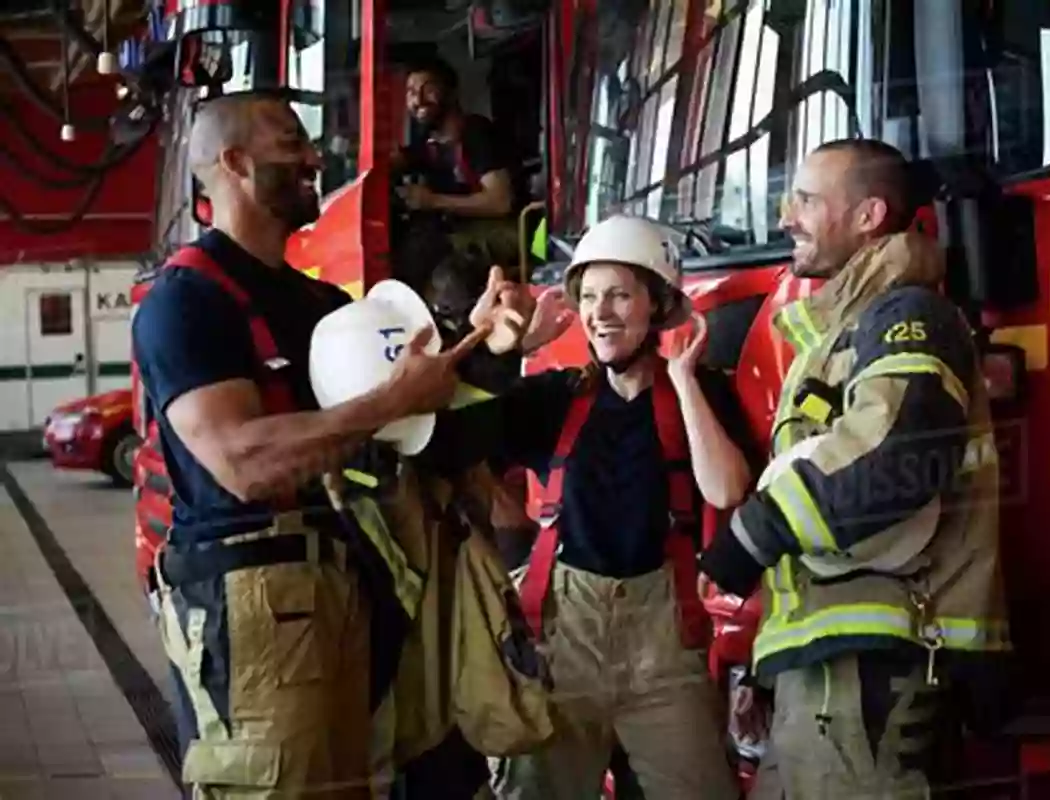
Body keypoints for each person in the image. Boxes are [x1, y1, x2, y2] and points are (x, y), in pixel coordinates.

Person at [132, 92, 488, 798]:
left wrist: (487, 346)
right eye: (291, 142)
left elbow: (413, 422)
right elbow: (243, 461)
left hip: (344, 585)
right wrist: (391, 400)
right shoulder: (186, 300)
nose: (313, 158)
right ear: (234, 163)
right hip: (252, 604)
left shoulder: (322, 305)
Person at [695, 139, 1014, 798]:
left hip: (873, 668)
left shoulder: (907, 316)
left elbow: (891, 457)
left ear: (869, 215)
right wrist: (769, 663)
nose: (787, 216)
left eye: (808, 199)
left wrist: (750, 536)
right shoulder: (840, 331)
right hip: (824, 671)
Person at [422, 214, 755, 800]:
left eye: (621, 296)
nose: (601, 313)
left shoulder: (701, 393)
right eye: (591, 297)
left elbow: (726, 491)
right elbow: (450, 443)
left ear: (658, 305)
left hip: (664, 648)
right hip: (561, 640)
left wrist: (682, 379)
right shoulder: (556, 399)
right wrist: (496, 353)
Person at [392, 55, 522, 270]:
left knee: (432, 257)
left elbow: (501, 202)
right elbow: (396, 161)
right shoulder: (429, 144)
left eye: (428, 89)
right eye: (411, 93)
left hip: (509, 229)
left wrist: (432, 201)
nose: (418, 100)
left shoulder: (476, 134)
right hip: (465, 229)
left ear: (451, 93)